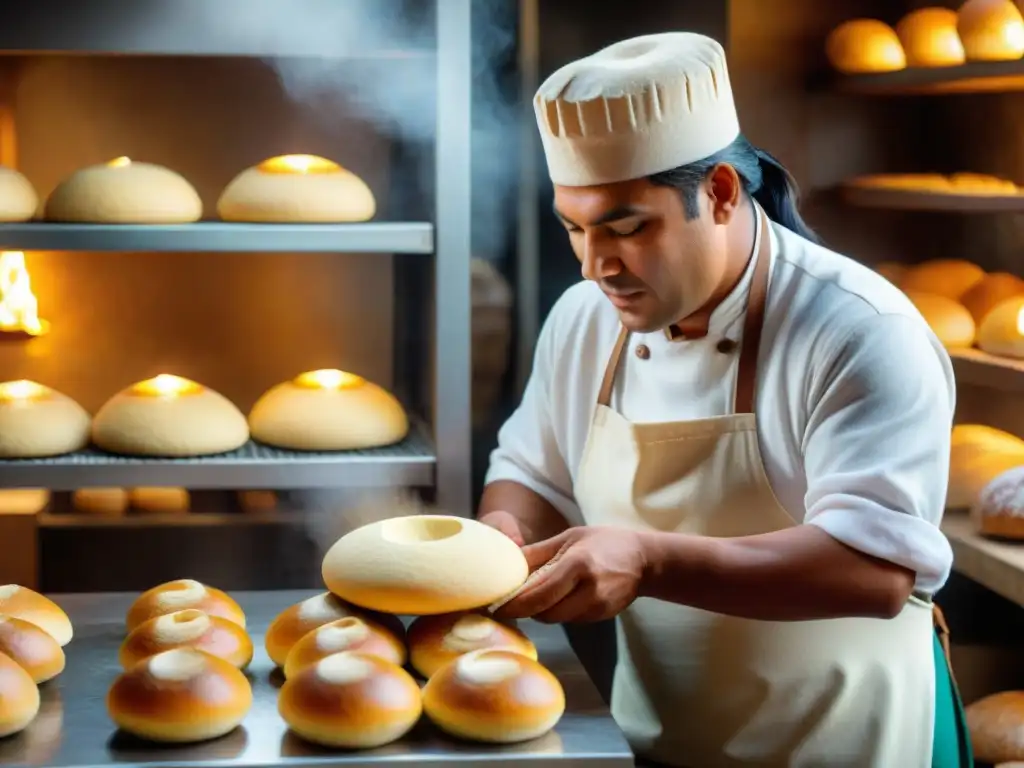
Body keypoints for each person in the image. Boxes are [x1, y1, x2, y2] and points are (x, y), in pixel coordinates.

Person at [479, 32, 971, 768]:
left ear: (718, 193)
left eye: (627, 228)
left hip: (853, 744)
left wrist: (647, 560)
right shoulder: (583, 320)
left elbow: (875, 568)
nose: (596, 266)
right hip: (663, 741)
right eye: (574, 229)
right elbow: (534, 472)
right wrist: (500, 542)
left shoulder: (860, 330)